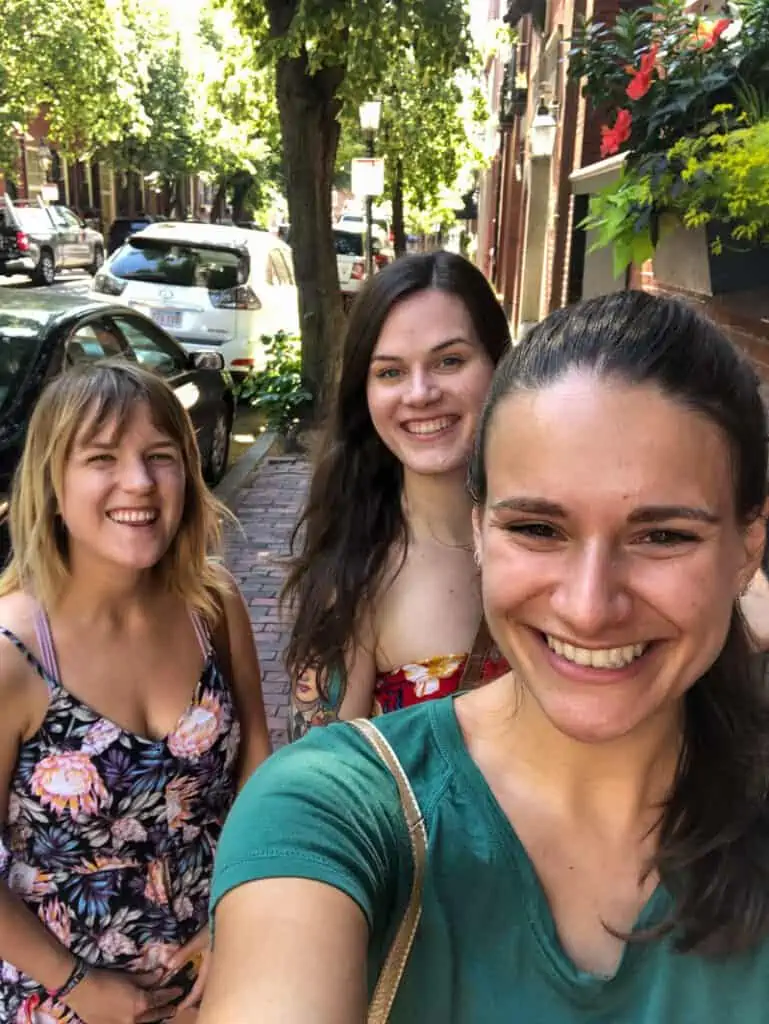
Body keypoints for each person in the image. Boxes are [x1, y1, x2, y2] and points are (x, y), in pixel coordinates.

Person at [202, 291, 769, 1022]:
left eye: (662, 536)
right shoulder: (328, 809)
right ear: (479, 530)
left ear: (747, 547)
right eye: (536, 528)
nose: (589, 606)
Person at [0, 361, 270, 1022]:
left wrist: (233, 918)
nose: (139, 483)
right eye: (101, 457)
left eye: (160, 456)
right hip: (64, 998)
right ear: (53, 485)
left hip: (215, 976)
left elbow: (258, 772)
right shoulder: (13, 655)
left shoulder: (211, 605)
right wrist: (81, 987)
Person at [284, 252, 511, 737]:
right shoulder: (354, 578)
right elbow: (319, 785)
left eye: (449, 361)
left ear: (499, 364)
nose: (420, 392)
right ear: (364, 394)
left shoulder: (570, 540)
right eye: (390, 372)